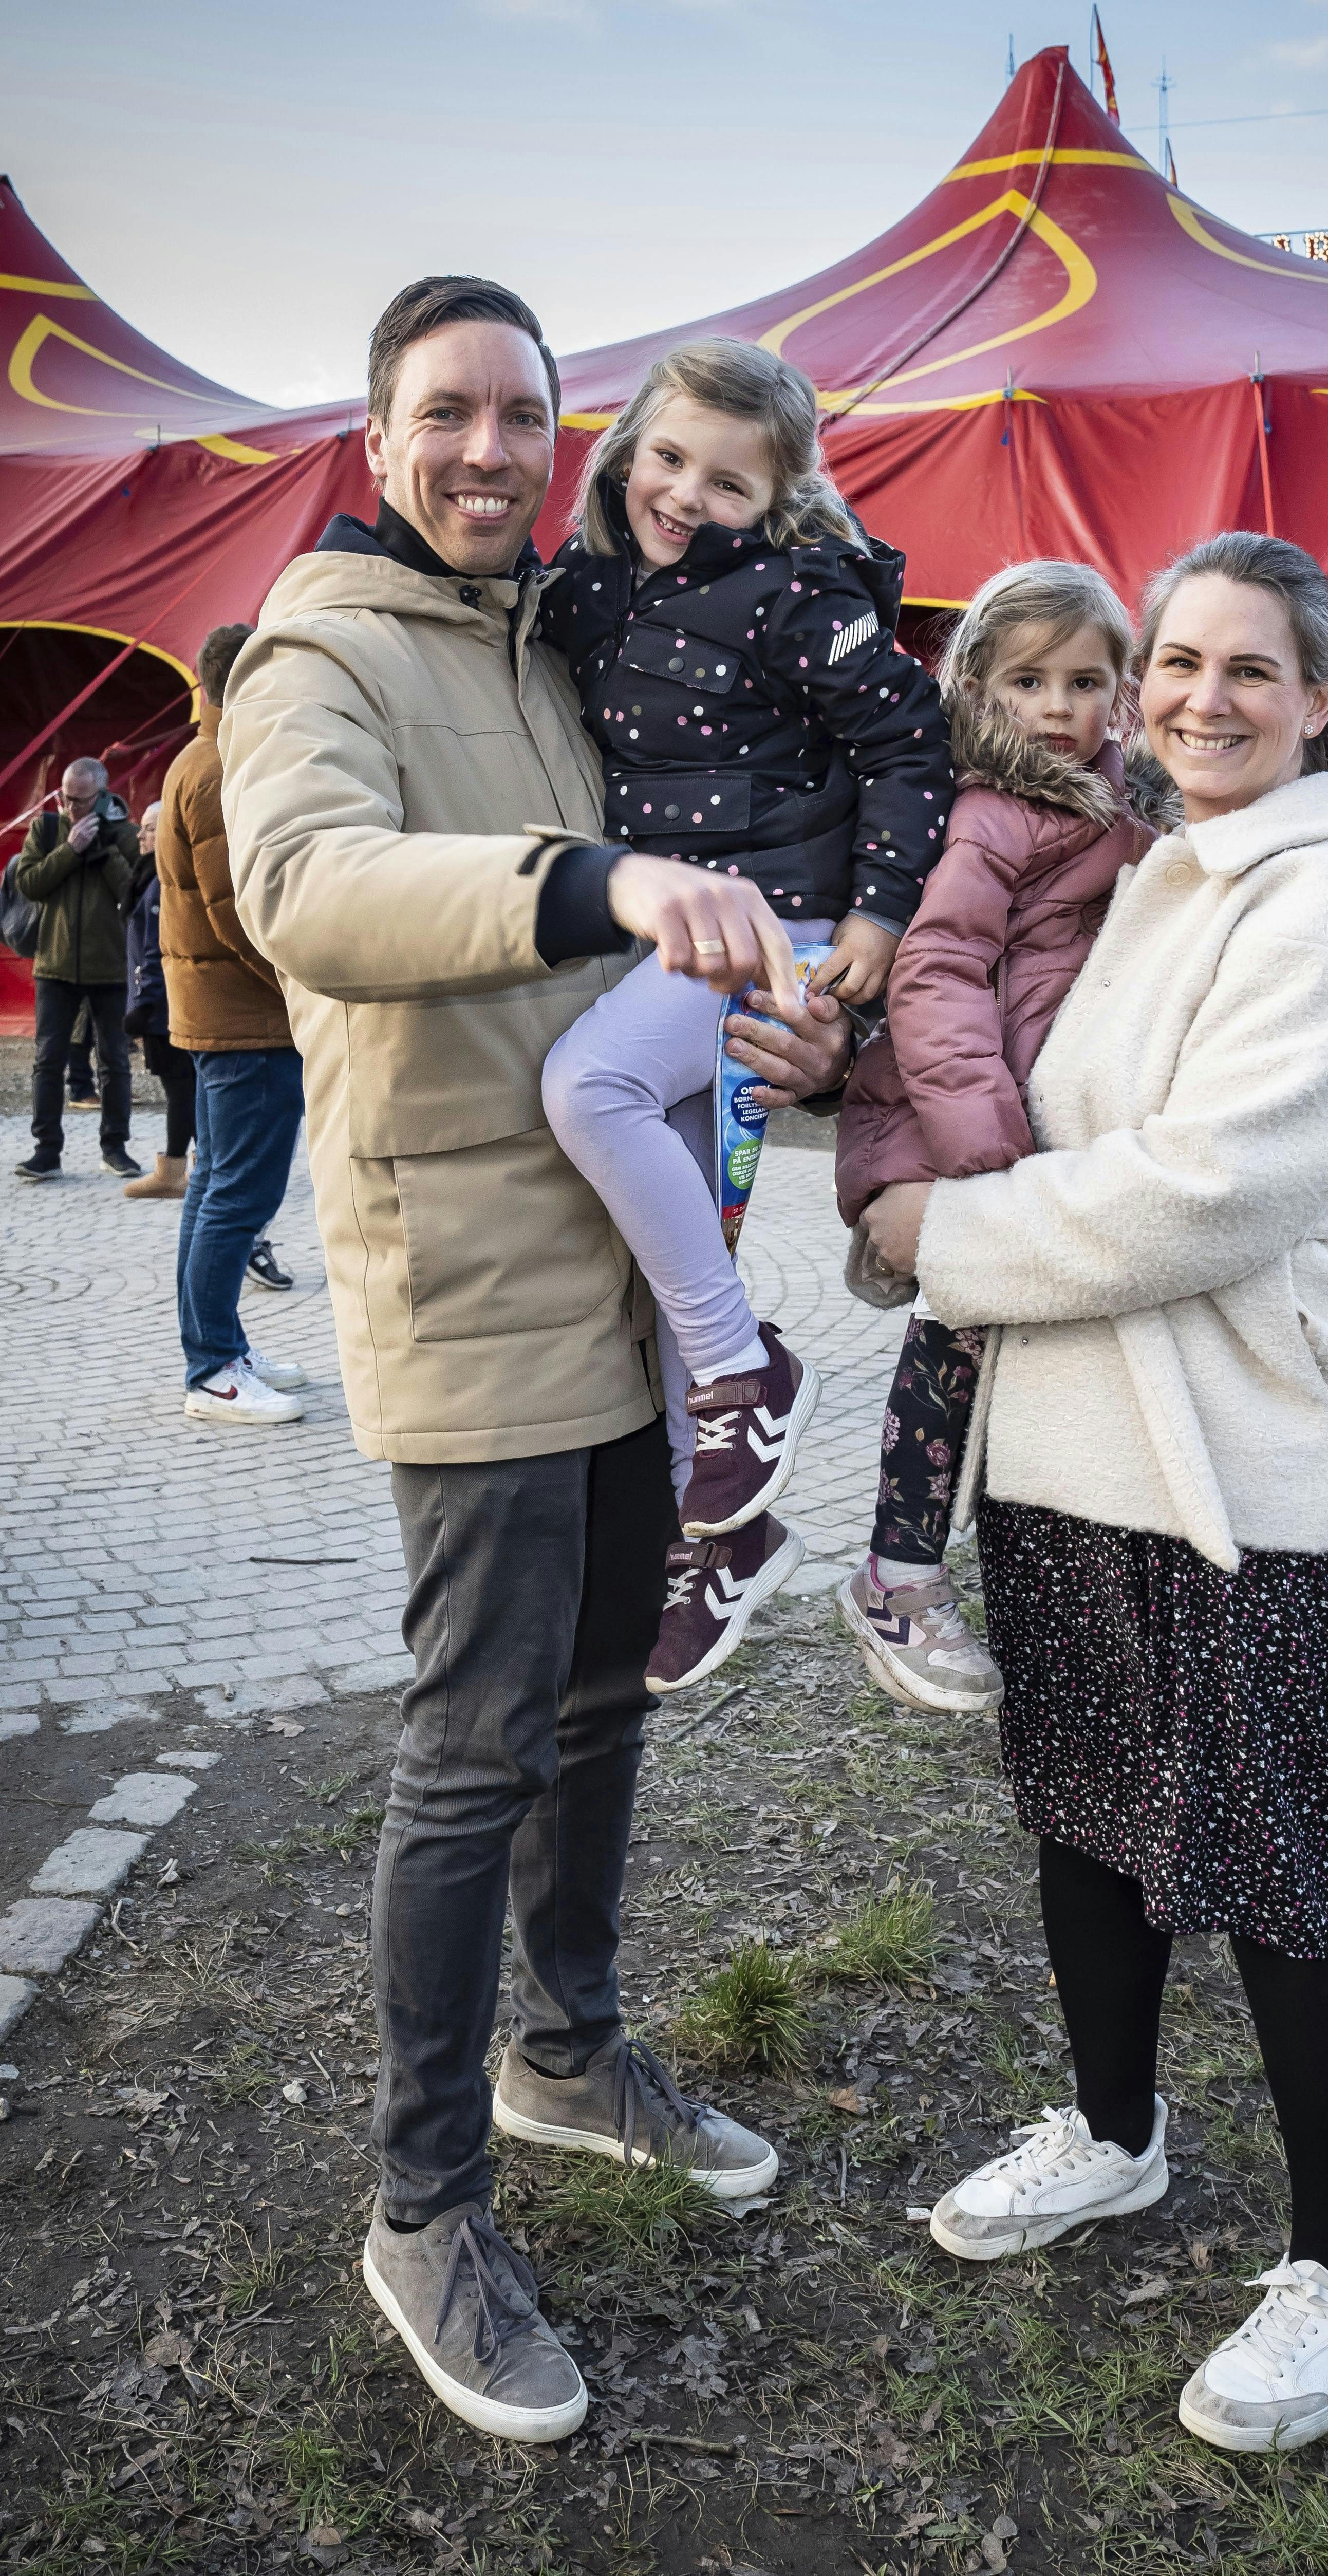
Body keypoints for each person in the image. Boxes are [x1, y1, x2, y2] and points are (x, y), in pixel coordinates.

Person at [220, 274, 853, 2447]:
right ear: (379, 432)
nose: (486, 451)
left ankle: (567, 2042)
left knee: (604, 1696)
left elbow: (698, 927)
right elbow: (313, 882)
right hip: (473, 1289)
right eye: (445, 414)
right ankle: (424, 2205)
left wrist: (777, 1014)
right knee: (474, 1741)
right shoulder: (317, 650)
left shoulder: (566, 638)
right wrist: (595, 879)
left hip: (621, 1297)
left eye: (519, 416)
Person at [862, 532, 1328, 2456]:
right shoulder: (1134, 868)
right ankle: (1113, 2129)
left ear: (1317, 698)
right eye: (1171, 660)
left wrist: (942, 1230)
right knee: (1089, 1819)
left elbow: (1207, 1187)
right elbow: (1006, 1066)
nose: (1196, 695)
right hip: (1066, 1442)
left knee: (1272, 1860)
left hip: (1240, 1463)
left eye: (1244, 669)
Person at [535, 338, 953, 1695]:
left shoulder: (795, 596)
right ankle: (720, 1539)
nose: (682, 492)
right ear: (623, 446)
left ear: (774, 497)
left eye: (725, 480)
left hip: (776, 929)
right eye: (665, 456)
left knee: (585, 1093)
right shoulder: (586, 590)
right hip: (674, 939)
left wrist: (877, 931)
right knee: (674, 1263)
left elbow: (908, 744)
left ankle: (748, 1373)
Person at [833, 559, 1153, 1717]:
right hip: (956, 1126)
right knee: (954, 1344)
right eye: (1028, 681)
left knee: (1003, 1357)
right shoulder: (989, 813)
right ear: (977, 687)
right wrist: (984, 1150)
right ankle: (897, 1575)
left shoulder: (1117, 808)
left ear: (1122, 692)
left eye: (1084, 680)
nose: (1058, 706)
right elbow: (936, 970)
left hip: (1026, 1131)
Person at [157, 622, 308, 1426]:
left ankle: (219, 1347)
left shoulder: (202, 758)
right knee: (238, 1200)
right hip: (247, 1022)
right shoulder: (219, 770)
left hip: (223, 1018)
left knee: (215, 1191)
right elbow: (237, 913)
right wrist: (303, 985)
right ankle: (212, 1366)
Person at [13, 758, 142, 1181]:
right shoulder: (47, 830)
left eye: (81, 801)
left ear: (102, 796)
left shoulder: (125, 833)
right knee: (49, 1061)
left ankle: (116, 1148)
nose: (72, 809)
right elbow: (30, 884)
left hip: (110, 969)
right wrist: (70, 851)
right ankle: (46, 1150)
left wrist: (101, 853)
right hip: (55, 965)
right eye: (66, 798)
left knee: (115, 1061)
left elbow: (134, 892)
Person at [120, 800, 197, 1199]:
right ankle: (205, 1165)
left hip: (163, 1008)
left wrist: (143, 1007)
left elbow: (155, 951)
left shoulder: (160, 884)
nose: (141, 835)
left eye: (150, 828)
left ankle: (174, 1172)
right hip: (163, 1003)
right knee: (186, 1088)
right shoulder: (150, 876)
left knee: (181, 1089)